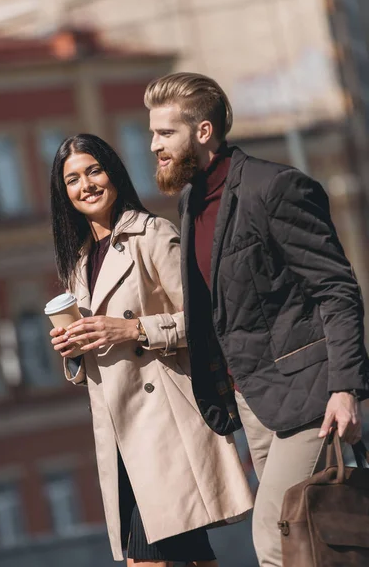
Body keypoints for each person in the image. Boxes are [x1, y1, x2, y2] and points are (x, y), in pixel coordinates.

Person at [144, 72, 369, 567]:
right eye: (153, 132)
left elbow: (336, 288)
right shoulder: (190, 202)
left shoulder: (274, 188)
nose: (153, 144)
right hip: (253, 401)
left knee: (274, 535)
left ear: (203, 132)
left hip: (312, 394)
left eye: (165, 133)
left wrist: (347, 388)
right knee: (300, 546)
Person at [48, 133, 253, 566]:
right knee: (191, 556)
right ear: (63, 194)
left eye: (93, 171)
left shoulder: (153, 233)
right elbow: (99, 354)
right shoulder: (79, 263)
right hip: (118, 434)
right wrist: (73, 350)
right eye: (72, 180)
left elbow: (207, 322)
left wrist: (134, 329)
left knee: (150, 559)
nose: (85, 185)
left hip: (164, 427)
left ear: (114, 174)